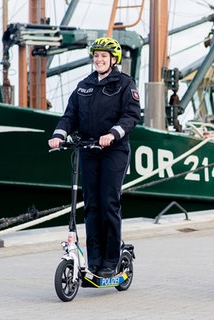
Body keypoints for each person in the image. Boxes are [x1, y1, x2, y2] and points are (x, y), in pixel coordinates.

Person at [48, 37, 141, 278]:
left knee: (108, 202)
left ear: (113, 59)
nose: (99, 60)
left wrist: (112, 134)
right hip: (88, 150)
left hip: (114, 151)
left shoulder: (124, 84)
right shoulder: (84, 85)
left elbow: (131, 116)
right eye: (96, 56)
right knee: (91, 206)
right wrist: (59, 135)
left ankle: (111, 259)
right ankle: (95, 260)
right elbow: (70, 116)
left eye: (103, 56)